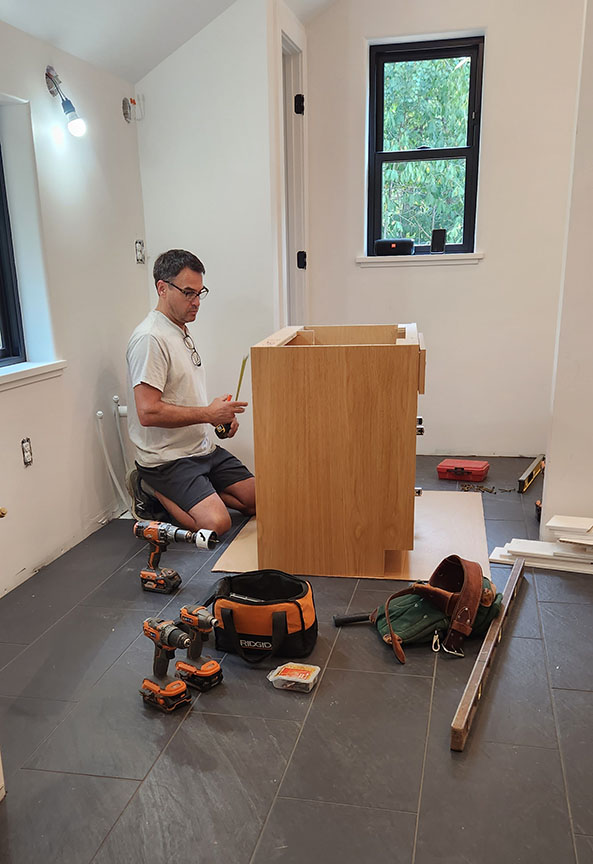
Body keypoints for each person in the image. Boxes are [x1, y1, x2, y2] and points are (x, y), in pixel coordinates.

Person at [125, 248, 255, 536]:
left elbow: (181, 395)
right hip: (166, 459)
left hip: (201, 450)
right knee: (216, 525)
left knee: (260, 500)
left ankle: (202, 494)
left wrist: (217, 417)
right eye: (188, 293)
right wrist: (208, 413)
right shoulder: (150, 338)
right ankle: (150, 487)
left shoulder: (179, 329)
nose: (196, 302)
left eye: (200, 292)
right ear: (162, 288)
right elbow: (147, 412)